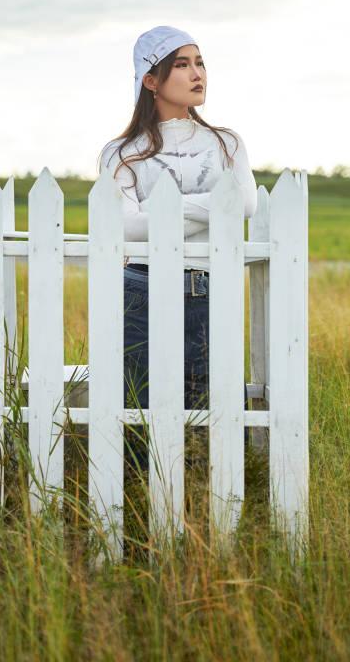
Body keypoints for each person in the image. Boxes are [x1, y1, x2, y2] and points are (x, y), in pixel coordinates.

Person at [98, 25, 257, 416]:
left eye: (200, 63)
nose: (197, 74)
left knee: (215, 413)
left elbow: (245, 204)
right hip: (140, 291)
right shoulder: (121, 151)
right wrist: (209, 212)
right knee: (138, 408)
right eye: (182, 65)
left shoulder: (226, 142)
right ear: (150, 80)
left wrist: (166, 209)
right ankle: (137, 481)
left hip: (206, 287)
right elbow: (125, 226)